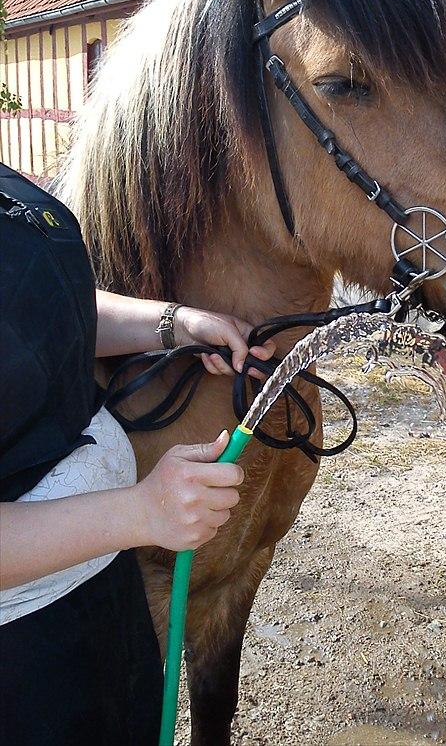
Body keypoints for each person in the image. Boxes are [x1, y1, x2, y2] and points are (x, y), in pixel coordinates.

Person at [0, 162, 274, 745]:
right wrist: (140, 512)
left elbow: (45, 311)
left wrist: (176, 325)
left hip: (101, 595)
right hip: (21, 664)